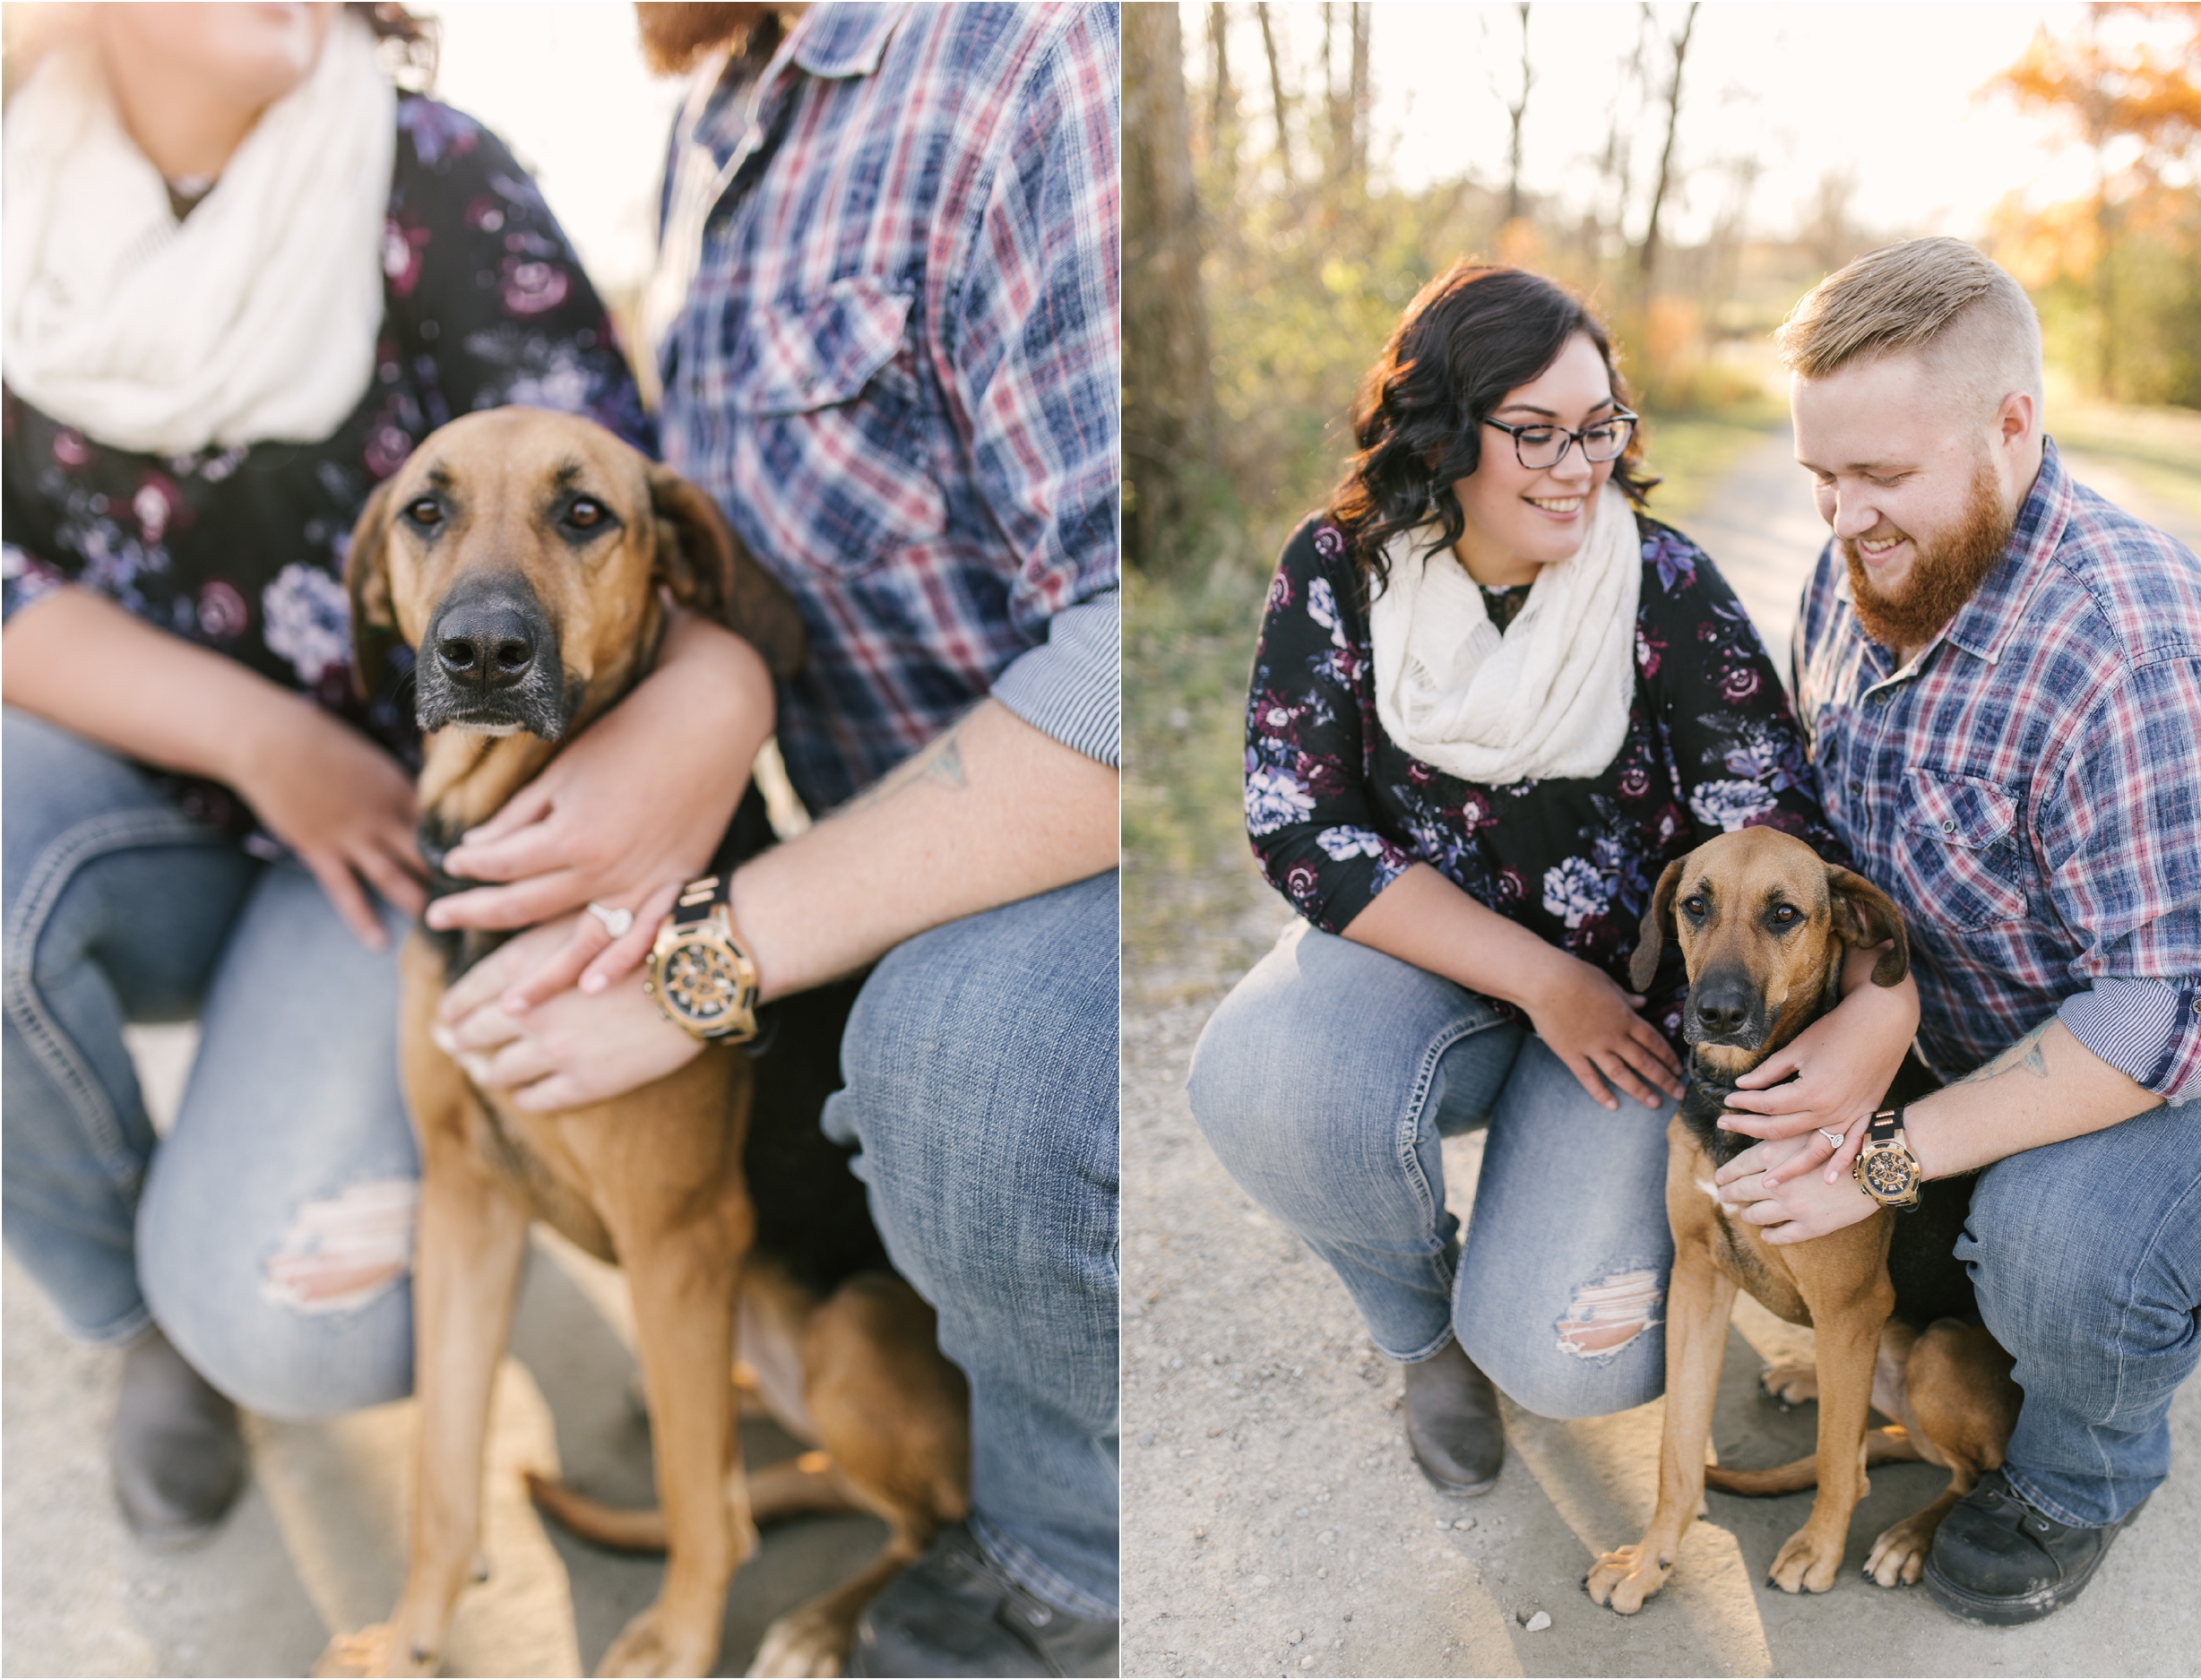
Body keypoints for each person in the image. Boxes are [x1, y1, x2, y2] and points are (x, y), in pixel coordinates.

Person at [0, 0, 772, 1546]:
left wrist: (723, 699)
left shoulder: (435, 176)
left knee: (299, 1322)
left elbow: (622, 523)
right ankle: (125, 1319)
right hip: (147, 794)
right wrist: (263, 740)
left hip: (420, 821)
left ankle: (294, 1225)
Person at [422, 5, 1121, 1673]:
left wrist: (698, 957)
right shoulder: (709, 119)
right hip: (884, 830)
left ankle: (1067, 1554)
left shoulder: (1038, 64)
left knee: (957, 1054)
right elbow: (720, 533)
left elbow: (1124, 665)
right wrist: (711, 687)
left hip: (1079, 862)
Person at [1185, 263, 1920, 1496]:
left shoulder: (1663, 585)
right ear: (1444, 433)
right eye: (1535, 433)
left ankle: (1529, 1267)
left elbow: (1771, 824)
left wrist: (1864, 1010)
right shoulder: (1340, 571)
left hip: (1633, 1015)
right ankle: (1422, 1332)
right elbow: (1301, 824)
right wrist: (1539, 982)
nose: (1578, 465)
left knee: (1569, 1360)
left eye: (1599, 428)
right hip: (1433, 973)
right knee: (1272, 1081)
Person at [1712, 237, 2201, 1625]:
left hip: (2190, 1064)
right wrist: (1881, 1004)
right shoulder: (1869, 566)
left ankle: (2078, 1474)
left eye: (1882, 477)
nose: (1844, 518)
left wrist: (1882, 1154)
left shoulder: (2133, 648)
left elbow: (2164, 1017)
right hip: (1978, 1026)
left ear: (2014, 426)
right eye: (1823, 479)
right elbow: (1827, 823)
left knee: (2052, 1240)